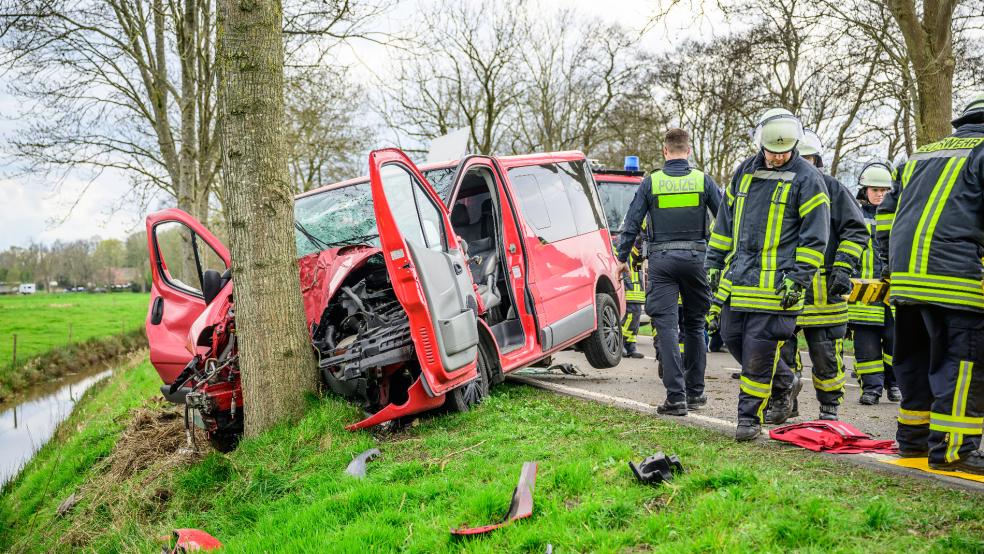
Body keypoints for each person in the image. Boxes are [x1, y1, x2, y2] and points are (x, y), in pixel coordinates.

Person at [706, 108, 830, 441]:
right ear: (759, 144)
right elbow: (724, 224)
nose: (777, 157)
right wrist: (713, 263)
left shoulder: (808, 178)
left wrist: (799, 277)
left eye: (784, 151)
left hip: (777, 289)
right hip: (739, 283)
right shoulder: (744, 171)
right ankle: (784, 380)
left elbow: (815, 236)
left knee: (758, 354)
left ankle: (748, 419)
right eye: (772, 151)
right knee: (733, 339)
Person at [876, 94, 984, 473]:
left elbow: (885, 216)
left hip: (906, 281)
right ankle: (956, 451)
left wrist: (889, 266)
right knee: (963, 366)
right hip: (960, 283)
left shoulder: (921, 154)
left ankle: (913, 442)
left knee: (914, 360)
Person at [765, 129, 869, 424]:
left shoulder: (833, 188)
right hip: (784, 285)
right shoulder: (776, 185)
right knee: (780, 349)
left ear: (816, 159)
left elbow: (855, 230)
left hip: (825, 287)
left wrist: (843, 266)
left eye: (809, 158)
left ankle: (829, 408)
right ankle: (784, 401)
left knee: (826, 352)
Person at [617, 128, 721, 416]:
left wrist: (622, 258)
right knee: (696, 324)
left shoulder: (652, 182)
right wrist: (720, 257)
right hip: (697, 259)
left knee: (666, 328)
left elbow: (632, 221)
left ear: (665, 152)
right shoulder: (703, 180)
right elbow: (725, 220)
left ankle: (676, 398)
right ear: (688, 152)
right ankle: (696, 393)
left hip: (662, 261)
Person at [848, 161, 899, 405]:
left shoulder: (899, 216)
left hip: (891, 293)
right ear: (864, 190)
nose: (880, 194)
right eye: (874, 189)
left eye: (884, 190)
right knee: (866, 346)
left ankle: (894, 383)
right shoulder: (854, 216)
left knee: (894, 341)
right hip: (863, 295)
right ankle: (871, 389)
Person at [620, 236, 646, 359]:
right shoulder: (621, 244)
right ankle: (620, 344)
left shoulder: (640, 246)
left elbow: (641, 259)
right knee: (628, 318)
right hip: (627, 288)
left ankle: (631, 346)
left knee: (635, 319)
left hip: (637, 288)